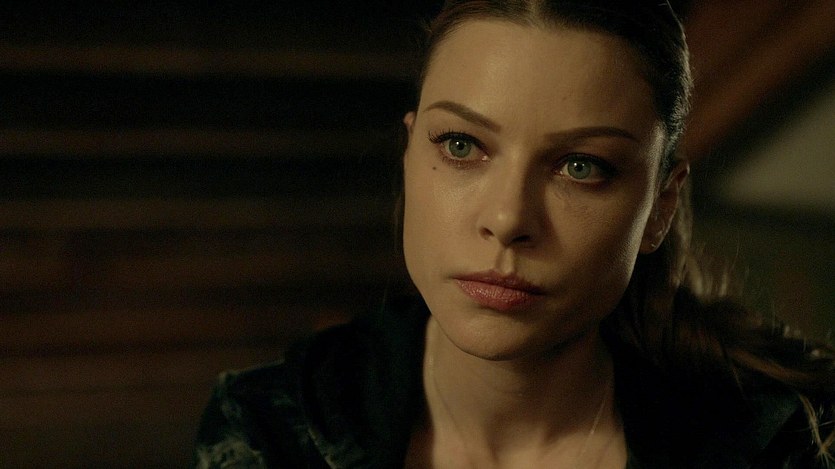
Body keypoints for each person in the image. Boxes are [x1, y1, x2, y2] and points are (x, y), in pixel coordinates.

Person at [193, 1, 835, 467]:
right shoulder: (270, 429)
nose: (507, 220)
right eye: (462, 145)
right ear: (410, 153)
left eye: (581, 167)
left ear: (660, 207)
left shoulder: (782, 444)